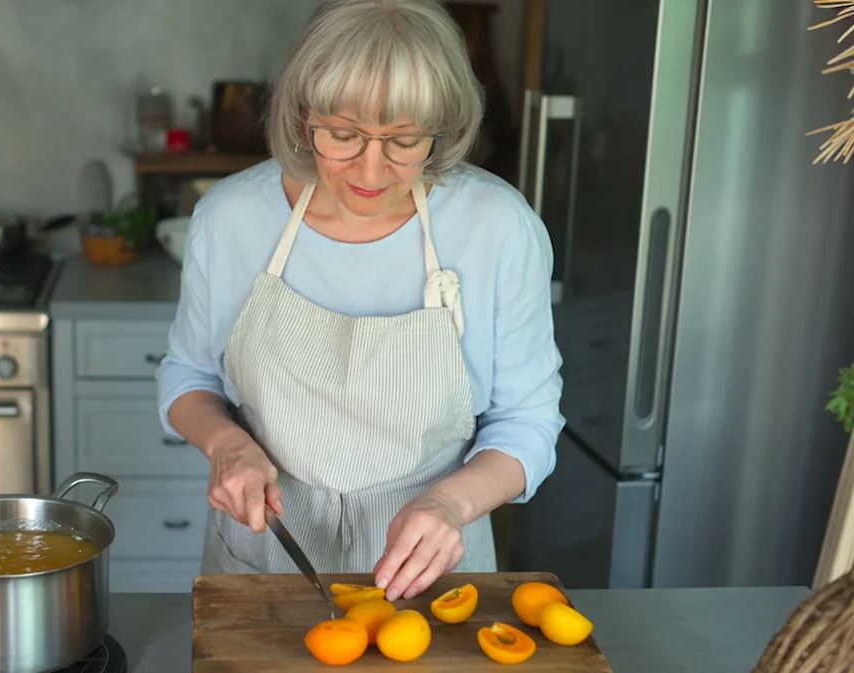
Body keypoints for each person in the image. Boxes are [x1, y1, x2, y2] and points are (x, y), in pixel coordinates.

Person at [155, 0, 564, 601]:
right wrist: (228, 445)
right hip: (266, 552)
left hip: (432, 567)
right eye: (342, 135)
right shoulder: (230, 219)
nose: (371, 170)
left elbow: (529, 420)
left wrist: (452, 504)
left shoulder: (498, 227)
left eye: (404, 141)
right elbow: (187, 376)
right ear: (302, 117)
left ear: (442, 127)